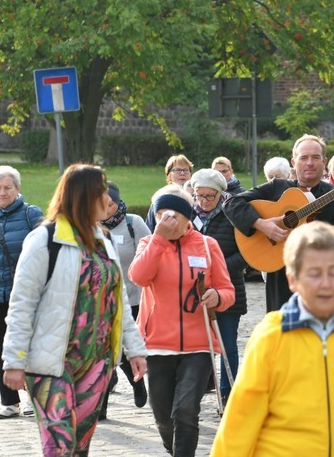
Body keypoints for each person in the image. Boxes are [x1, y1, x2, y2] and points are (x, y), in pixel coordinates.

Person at [210, 221, 334, 456]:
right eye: (314, 274)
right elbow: (240, 422)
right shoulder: (272, 336)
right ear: (293, 279)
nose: (325, 283)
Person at [2, 164, 147, 456]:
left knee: (80, 446)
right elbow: (22, 304)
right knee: (59, 445)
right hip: (50, 361)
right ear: (83, 196)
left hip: (96, 361)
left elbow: (117, 302)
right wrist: (13, 359)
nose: (109, 199)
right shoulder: (45, 240)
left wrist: (135, 350)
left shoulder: (102, 240)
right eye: (102, 191)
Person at [129, 184, 235, 457]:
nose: (168, 221)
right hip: (158, 344)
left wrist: (216, 296)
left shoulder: (207, 245)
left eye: (174, 215)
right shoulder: (148, 244)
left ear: (188, 217)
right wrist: (158, 239)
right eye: (162, 214)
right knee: (164, 416)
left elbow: (228, 291)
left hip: (198, 344)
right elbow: (138, 277)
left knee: (186, 410)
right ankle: (173, 448)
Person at [225, 134, 334, 312]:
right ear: (293, 161)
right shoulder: (277, 187)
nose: (309, 163)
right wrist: (261, 224)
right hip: (281, 278)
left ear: (324, 162)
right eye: (303, 157)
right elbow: (231, 203)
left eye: (316, 157)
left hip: (324, 279)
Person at [0, 166, 43, 419]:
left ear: (18, 189)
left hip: (26, 294)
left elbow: (47, 248)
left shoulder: (30, 214)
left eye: (7, 187)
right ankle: (9, 402)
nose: (2, 192)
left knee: (28, 347)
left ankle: (30, 398)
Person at [191, 169, 248, 405]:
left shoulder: (232, 214)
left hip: (228, 290)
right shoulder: (188, 217)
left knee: (227, 345)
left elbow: (246, 254)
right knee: (198, 347)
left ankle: (228, 392)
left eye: (209, 197)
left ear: (220, 194)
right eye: (199, 196)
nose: (203, 202)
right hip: (195, 293)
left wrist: (219, 267)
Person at [99, 181, 151, 415]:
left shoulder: (133, 223)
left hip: (135, 296)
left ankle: (137, 381)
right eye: (103, 204)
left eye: (110, 204)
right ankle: (102, 406)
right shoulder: (93, 227)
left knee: (127, 347)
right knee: (111, 348)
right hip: (106, 299)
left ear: (117, 202)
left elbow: (151, 252)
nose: (106, 209)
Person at [145, 154, 194, 230]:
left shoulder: (197, 198)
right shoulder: (161, 198)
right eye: (177, 170)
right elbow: (150, 228)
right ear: (169, 175)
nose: (182, 173)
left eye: (186, 170)